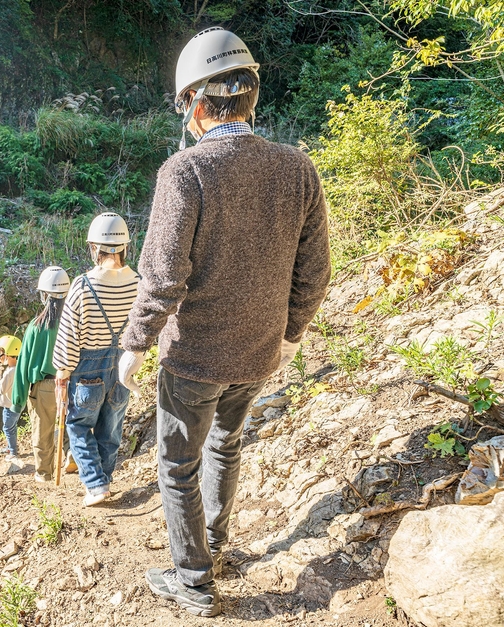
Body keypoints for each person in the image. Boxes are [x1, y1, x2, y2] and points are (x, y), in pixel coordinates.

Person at [117, 28, 331, 618]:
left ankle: (193, 581)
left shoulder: (185, 172)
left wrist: (134, 343)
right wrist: (292, 334)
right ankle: (212, 546)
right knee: (226, 444)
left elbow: (161, 276)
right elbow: (314, 271)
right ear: (250, 97)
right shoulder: (297, 170)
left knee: (178, 465)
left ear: (196, 104)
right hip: (259, 351)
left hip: (194, 357)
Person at [52, 212, 139, 507]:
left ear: (93, 248)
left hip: (87, 366)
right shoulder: (139, 283)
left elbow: (68, 338)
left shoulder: (82, 285)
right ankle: (104, 480)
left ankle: (96, 484)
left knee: (77, 425)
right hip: (125, 365)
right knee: (111, 428)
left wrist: (62, 376)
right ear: (126, 247)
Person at [12, 266, 71, 483]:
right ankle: (72, 457)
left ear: (44, 295)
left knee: (42, 432)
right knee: (72, 423)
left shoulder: (35, 327)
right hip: (72, 382)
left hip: (44, 387)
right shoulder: (75, 323)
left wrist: (17, 401)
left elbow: (22, 368)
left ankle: (44, 473)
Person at [0, 335, 22, 461]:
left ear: (8, 354)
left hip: (9, 405)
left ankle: (13, 452)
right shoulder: (19, 368)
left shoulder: (10, 371)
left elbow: (1, 389)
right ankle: (10, 446)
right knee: (12, 426)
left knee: (7, 427)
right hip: (17, 403)